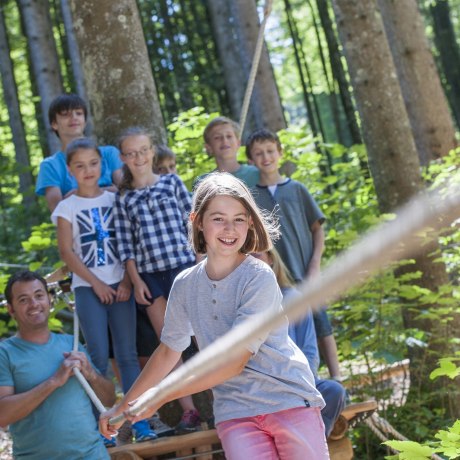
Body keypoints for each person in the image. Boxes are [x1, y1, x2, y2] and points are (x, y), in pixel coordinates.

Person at [100, 172, 330, 460]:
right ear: (197, 221)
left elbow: (233, 362)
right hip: (235, 413)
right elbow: (168, 351)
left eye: (239, 219)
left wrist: (161, 395)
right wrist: (123, 407)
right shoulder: (184, 284)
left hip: (287, 401)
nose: (229, 228)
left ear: (250, 223)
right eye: (218, 218)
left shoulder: (258, 277)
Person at [50, 137, 158, 445]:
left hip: (121, 287)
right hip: (88, 290)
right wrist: (96, 283)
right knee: (97, 358)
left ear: (103, 164)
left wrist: (126, 280)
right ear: (70, 170)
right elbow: (66, 252)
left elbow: (130, 241)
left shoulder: (115, 198)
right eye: (80, 166)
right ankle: (105, 425)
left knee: (126, 355)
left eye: (94, 163)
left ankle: (140, 422)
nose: (88, 170)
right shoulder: (66, 207)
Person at [114, 126, 201, 433]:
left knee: (202, 332)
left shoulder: (172, 182)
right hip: (151, 277)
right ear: (123, 158)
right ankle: (189, 410)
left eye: (143, 150)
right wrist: (136, 281)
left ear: (152, 152)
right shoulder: (124, 198)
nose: (138, 158)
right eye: (131, 153)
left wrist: (201, 260)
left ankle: (226, 393)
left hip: (184, 265)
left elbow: (193, 221)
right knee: (170, 342)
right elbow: (125, 244)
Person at [246, 128, 342, 381]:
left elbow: (317, 230)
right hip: (277, 279)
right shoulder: (252, 197)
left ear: (280, 153)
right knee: (288, 331)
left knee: (321, 324)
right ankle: (299, 380)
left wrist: (315, 266)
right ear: (250, 160)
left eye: (270, 151)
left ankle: (337, 378)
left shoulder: (297, 189)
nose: (265, 157)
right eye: (258, 153)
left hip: (304, 272)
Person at [0, 270, 116, 459]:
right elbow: (2, 415)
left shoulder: (72, 343)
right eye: (23, 299)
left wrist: (91, 375)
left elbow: (109, 400)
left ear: (50, 300)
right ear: (11, 310)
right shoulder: (4, 353)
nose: (34, 304)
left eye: (39, 296)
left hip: (92, 455)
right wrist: (54, 381)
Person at [251, 247, 346, 438]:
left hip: (301, 384)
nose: (253, 260)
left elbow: (309, 349)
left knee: (334, 391)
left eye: (258, 254)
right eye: (246, 257)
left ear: (270, 258)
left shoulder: (293, 298)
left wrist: (303, 385)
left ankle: (317, 441)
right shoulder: (246, 303)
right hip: (266, 391)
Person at [35, 93, 123, 212]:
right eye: (65, 114)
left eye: (79, 113)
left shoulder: (109, 153)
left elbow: (126, 192)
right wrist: (108, 190)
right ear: (54, 124)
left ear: (85, 121)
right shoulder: (50, 165)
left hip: (119, 223)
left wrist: (76, 194)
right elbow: (57, 211)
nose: (74, 117)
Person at [195, 116, 260, 188]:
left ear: (238, 143)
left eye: (229, 136)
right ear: (208, 147)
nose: (224, 140)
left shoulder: (256, 173)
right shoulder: (203, 183)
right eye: (217, 137)